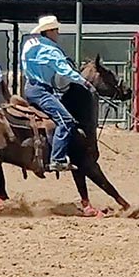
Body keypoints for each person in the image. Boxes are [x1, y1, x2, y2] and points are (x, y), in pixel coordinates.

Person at [21, 15, 94, 172]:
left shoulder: (29, 44)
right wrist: (84, 82)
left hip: (30, 86)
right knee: (66, 120)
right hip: (40, 90)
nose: (58, 34)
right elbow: (65, 71)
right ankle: (57, 159)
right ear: (49, 31)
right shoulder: (51, 50)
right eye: (56, 30)